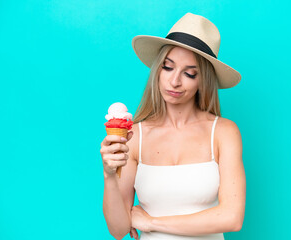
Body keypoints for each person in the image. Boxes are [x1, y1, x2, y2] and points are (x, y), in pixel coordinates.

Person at [100, 13, 246, 240]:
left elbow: (232, 217)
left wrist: (151, 222)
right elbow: (118, 230)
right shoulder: (135, 136)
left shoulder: (223, 132)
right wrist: (109, 175)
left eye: (189, 73)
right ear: (157, 69)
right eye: (168, 68)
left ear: (203, 80)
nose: (175, 81)